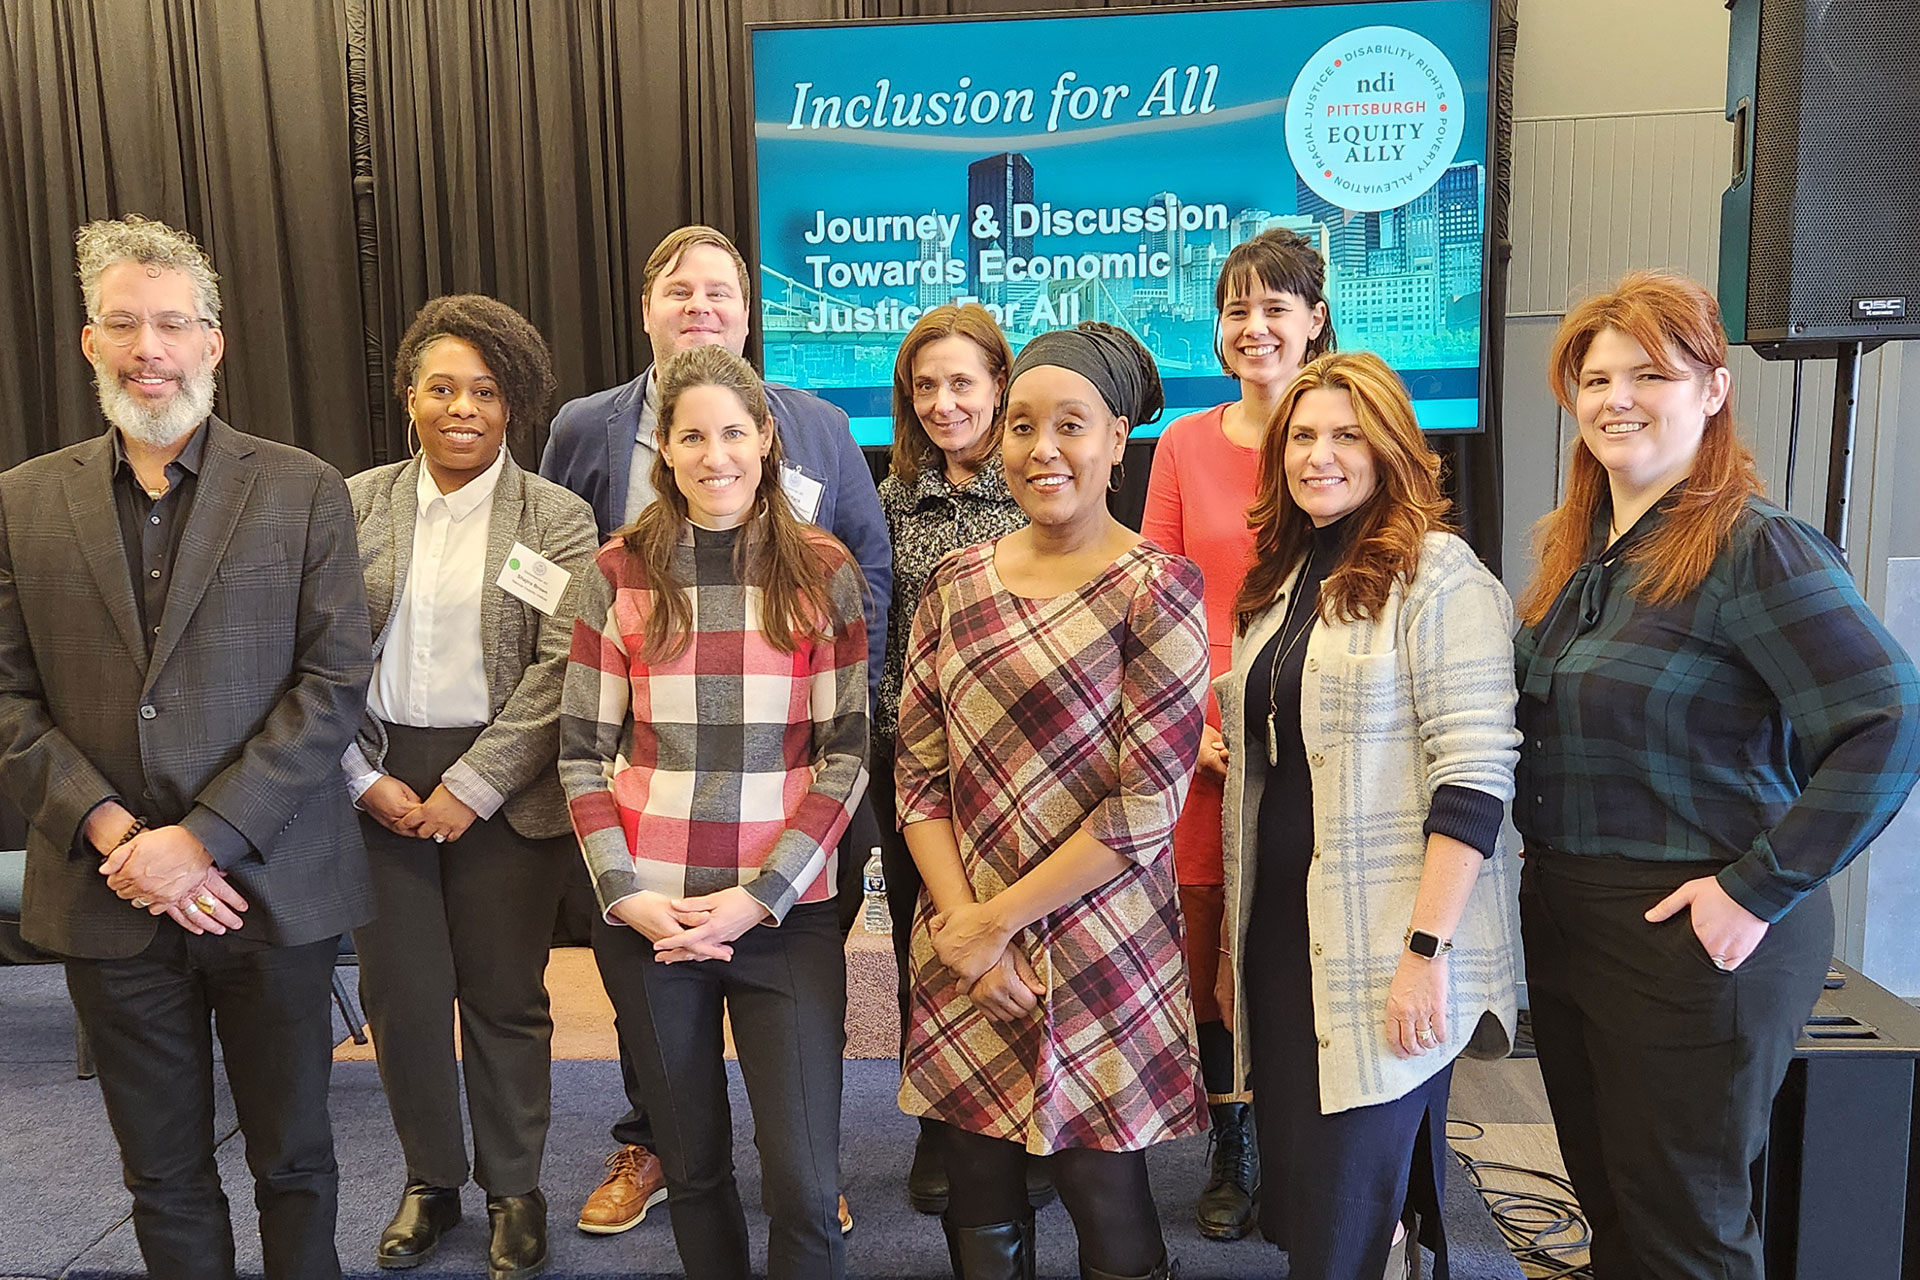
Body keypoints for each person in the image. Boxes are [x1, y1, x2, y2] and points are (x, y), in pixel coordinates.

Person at [1513, 270, 1920, 1280]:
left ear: (1712, 387)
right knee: (1616, 1205)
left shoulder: (1756, 547)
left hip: (1697, 924)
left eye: (1651, 372)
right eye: (1596, 376)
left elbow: (1889, 719)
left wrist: (1758, 887)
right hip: (1573, 915)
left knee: (1683, 1231)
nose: (1617, 397)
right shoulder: (1583, 554)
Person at [0, 215, 373, 1279]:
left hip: (271, 883)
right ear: (88, 341)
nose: (147, 347)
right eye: (125, 322)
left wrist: (201, 839)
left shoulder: (303, 488)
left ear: (215, 340)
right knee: (160, 1171)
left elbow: (332, 683)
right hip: (105, 885)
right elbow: (6, 693)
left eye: (172, 323)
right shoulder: (22, 502)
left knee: (296, 1159)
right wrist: (123, 834)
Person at [540, 225, 886, 1236]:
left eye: (733, 434)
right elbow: (579, 752)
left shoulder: (822, 572)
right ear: (664, 450)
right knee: (691, 1174)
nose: (714, 453)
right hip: (647, 909)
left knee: (803, 1188)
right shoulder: (615, 573)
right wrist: (627, 896)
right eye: (690, 436)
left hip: (783, 914)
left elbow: (847, 750)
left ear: (767, 440)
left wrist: (755, 898)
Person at [896, 321, 1208, 1280]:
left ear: (1118, 438)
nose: (1043, 450)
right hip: (962, 925)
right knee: (976, 1184)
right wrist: (963, 925)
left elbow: (1143, 810)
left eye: (1070, 425)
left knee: (1102, 1190)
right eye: (1023, 426)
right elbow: (917, 779)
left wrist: (991, 925)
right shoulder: (953, 583)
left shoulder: (1160, 587)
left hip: (1100, 937)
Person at [1215, 351, 1519, 1279]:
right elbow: (1285, 726)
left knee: (1347, 1203)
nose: (1319, 455)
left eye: (1346, 434)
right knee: (1313, 1204)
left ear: (1391, 447)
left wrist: (1426, 954)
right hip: (1283, 936)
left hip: (1387, 940)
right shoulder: (1278, 579)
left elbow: (1474, 777)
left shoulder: (1441, 576)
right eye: (1302, 436)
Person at [341, 295, 600, 1278]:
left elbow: (562, 669)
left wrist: (474, 782)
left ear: (514, 405)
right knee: (403, 999)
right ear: (410, 396)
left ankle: (514, 1188)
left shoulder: (557, 518)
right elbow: (315, 660)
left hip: (502, 788)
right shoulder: (353, 504)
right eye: (441, 386)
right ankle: (432, 1181)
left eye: (485, 391)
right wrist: (364, 778)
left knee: (504, 996)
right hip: (375, 782)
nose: (462, 407)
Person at [1140, 227, 1333, 1239]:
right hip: (1201, 745)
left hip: (1318, 736)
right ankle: (1233, 1137)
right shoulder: (1182, 442)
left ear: (1313, 321)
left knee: (1302, 942)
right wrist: (1193, 721)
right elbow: (1159, 593)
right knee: (1209, 943)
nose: (1253, 326)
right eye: (1237, 308)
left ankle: (1308, 1139)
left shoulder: (1341, 432)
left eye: (1274, 307)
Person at [872, 303, 1029, 1215]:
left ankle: (1029, 1125)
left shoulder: (1046, 488)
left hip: (1032, 781)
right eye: (924, 386)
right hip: (920, 778)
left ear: (1001, 385)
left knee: (1029, 944)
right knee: (923, 950)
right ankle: (941, 1125)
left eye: (962, 382)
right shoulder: (889, 501)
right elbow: (880, 646)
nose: (943, 402)